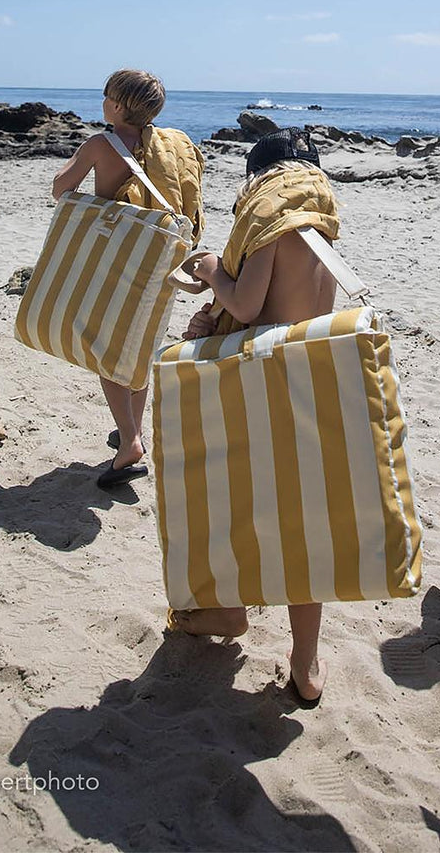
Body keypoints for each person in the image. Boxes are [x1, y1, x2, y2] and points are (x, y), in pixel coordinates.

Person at [171, 127, 339, 704]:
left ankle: (226, 608)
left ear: (261, 180)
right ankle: (305, 660)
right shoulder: (323, 230)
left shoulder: (272, 224)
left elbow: (247, 305)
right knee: (303, 520)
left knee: (232, 499)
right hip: (311, 379)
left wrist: (213, 270)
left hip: (263, 381)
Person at [50, 69, 204, 489]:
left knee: (107, 350)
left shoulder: (102, 144)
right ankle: (130, 427)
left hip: (119, 255)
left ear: (116, 106)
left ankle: (131, 442)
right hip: (162, 257)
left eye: (105, 97)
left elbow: (62, 189)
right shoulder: (174, 145)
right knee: (139, 346)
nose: (102, 103)